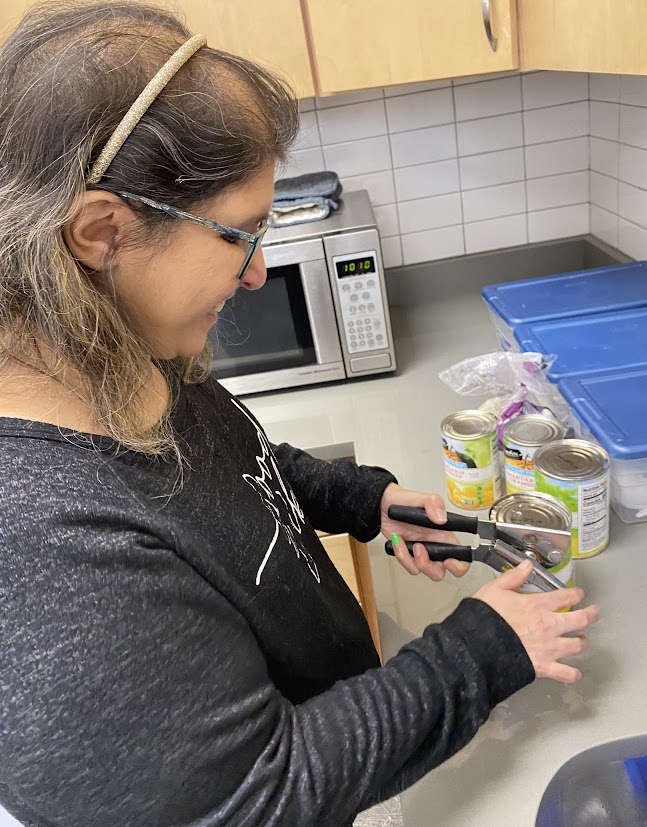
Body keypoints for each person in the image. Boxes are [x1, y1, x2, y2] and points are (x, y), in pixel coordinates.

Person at [0, 3, 599, 826]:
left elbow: (231, 465)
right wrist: (484, 649)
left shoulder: (111, 347)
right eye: (239, 234)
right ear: (102, 231)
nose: (255, 274)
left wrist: (362, 500)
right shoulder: (39, 550)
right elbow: (256, 796)